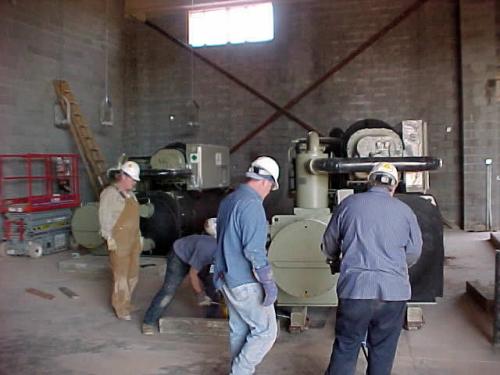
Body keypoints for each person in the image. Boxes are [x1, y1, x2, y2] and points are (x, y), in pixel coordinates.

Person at [322, 162, 423, 375]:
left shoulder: (349, 204)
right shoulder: (405, 212)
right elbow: (414, 251)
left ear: (369, 181)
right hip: (393, 293)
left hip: (355, 290)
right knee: (383, 351)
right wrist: (395, 268)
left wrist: (335, 260)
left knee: (346, 346)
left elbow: (328, 244)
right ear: (393, 186)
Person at [213, 156, 280, 375]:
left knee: (239, 329)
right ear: (264, 181)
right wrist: (268, 282)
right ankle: (240, 372)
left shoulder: (229, 200)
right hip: (245, 281)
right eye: (271, 187)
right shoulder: (252, 205)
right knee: (266, 332)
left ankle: (239, 371)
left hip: (226, 277)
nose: (268, 192)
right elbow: (253, 251)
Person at [142, 218, 219, 335]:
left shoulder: (223, 253)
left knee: (212, 285)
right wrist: (200, 294)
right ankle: (148, 322)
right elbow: (193, 275)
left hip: (200, 256)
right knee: (169, 290)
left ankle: (212, 321)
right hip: (179, 255)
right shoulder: (207, 250)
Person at [98, 161, 142, 321]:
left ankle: (127, 302)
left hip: (133, 239)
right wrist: (108, 237)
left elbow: (135, 218)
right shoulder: (110, 194)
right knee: (121, 276)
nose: (135, 182)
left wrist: (140, 236)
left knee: (133, 274)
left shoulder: (131, 194)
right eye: (133, 179)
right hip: (119, 241)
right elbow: (104, 217)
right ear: (123, 176)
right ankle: (121, 308)